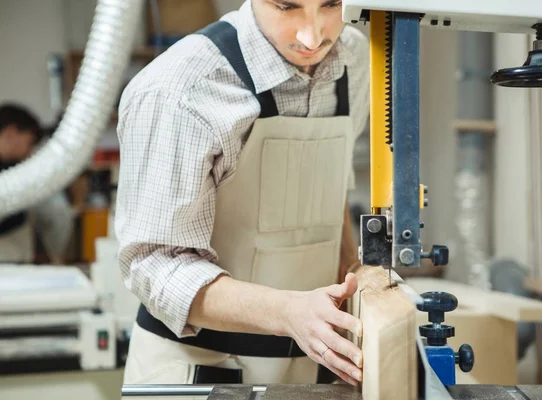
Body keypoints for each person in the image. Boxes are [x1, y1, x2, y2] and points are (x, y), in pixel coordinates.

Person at [116, 0, 369, 386]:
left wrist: (359, 276)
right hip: (202, 370)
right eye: (287, 7)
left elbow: (330, 199)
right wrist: (289, 313)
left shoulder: (356, 59)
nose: (312, 36)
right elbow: (157, 267)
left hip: (311, 371)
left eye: (331, 4)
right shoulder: (179, 89)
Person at [0, 104, 76, 264]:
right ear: (10, 133)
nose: (30, 151)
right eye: (29, 143)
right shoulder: (12, 176)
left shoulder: (14, 170)